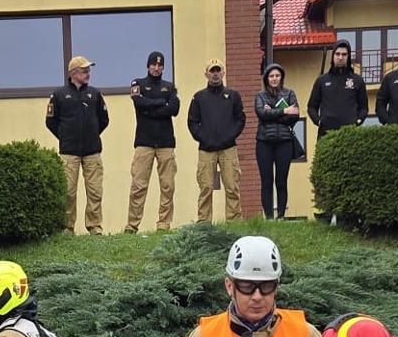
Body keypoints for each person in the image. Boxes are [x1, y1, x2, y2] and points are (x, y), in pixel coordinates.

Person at [182, 235, 323, 337]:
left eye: (266, 286)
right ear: (229, 286)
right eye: (247, 286)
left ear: (276, 287)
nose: (257, 296)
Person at [47, 56, 109, 235]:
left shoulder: (95, 94)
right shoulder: (58, 95)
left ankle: (95, 226)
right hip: (69, 152)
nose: (88, 74)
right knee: (68, 192)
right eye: (84, 71)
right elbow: (51, 121)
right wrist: (65, 137)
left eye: (89, 70)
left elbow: (104, 120)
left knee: (95, 191)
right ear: (73, 73)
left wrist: (92, 134)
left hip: (92, 151)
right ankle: (67, 227)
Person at [126, 51, 181, 234]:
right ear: (148, 66)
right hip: (144, 142)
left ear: (163, 67)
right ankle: (132, 225)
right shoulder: (138, 83)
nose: (156, 68)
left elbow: (174, 108)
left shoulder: (170, 86)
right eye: (153, 65)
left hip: (166, 143)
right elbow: (138, 103)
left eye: (160, 65)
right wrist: (160, 103)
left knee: (167, 186)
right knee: (138, 185)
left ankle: (163, 224)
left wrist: (152, 109)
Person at [189, 58, 246, 223]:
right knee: (206, 188)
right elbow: (192, 122)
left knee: (232, 186)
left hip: (228, 149)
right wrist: (203, 137)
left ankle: (234, 221)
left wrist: (230, 136)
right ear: (206, 74)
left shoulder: (233, 95)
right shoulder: (198, 97)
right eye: (212, 71)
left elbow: (240, 120)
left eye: (218, 70)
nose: (215, 74)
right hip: (206, 150)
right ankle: (204, 223)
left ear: (223, 73)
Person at [254, 63, 302, 220]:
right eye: (271, 76)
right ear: (266, 79)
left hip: (284, 142)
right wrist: (283, 110)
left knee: (281, 181)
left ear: (281, 78)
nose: (274, 78)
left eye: (277, 75)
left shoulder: (290, 94)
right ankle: (268, 217)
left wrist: (272, 112)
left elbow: (294, 116)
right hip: (264, 142)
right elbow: (261, 114)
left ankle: (281, 216)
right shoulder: (260, 96)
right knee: (266, 181)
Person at [307, 40, 368, 138]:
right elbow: (311, 107)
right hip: (326, 134)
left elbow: (364, 108)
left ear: (348, 57)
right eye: (337, 54)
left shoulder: (357, 80)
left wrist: (358, 121)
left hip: (350, 134)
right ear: (333, 56)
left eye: (344, 54)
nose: (340, 58)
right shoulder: (322, 80)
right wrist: (319, 121)